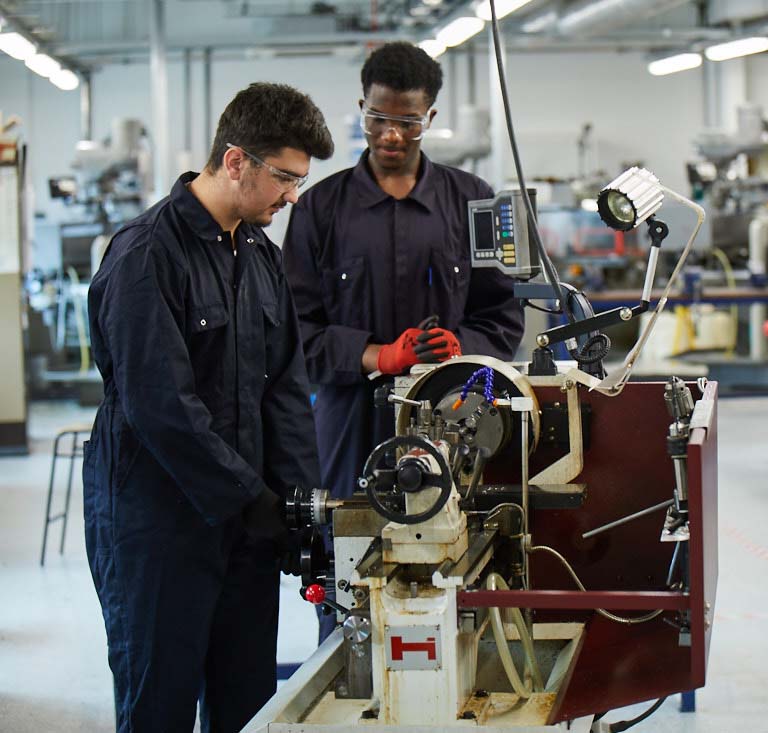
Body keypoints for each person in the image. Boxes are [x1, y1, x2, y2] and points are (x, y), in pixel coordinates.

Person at [83, 82, 334, 733]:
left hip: (243, 526)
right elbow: (161, 406)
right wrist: (251, 500)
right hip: (158, 526)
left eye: (300, 180)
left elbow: (283, 388)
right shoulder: (144, 256)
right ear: (233, 161)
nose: (292, 196)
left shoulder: (259, 257)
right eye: (283, 177)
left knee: (246, 701)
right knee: (158, 703)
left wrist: (298, 502)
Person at [282, 41, 525, 639]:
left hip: (454, 419)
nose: (391, 136)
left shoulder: (475, 201)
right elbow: (292, 332)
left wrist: (457, 352)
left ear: (431, 119)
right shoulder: (318, 208)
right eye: (378, 119)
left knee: (455, 564)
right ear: (361, 108)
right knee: (347, 574)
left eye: (408, 123)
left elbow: (504, 317)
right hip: (347, 424)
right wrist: (374, 354)